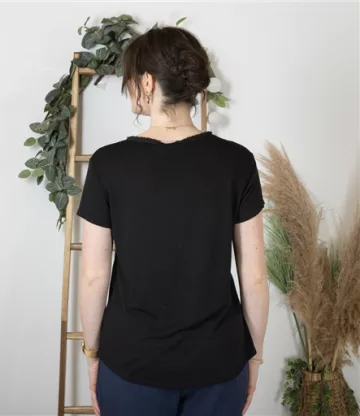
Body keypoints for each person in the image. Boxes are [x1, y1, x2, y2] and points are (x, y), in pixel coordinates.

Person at [77, 26, 269, 416]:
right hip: (220, 362)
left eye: (132, 80)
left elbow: (94, 276)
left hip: (131, 366)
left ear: (147, 82)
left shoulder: (107, 164)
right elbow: (255, 276)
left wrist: (92, 354)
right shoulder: (236, 161)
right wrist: (254, 357)